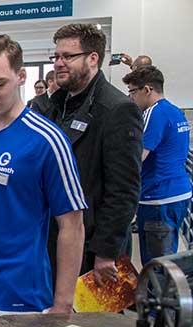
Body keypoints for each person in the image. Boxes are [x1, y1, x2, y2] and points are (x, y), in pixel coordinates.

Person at [0, 35, 86, 317]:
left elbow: (72, 226)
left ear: (21, 76)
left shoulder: (47, 141)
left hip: (19, 298)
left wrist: (62, 304)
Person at [44, 23, 143, 285]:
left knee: (87, 322)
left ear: (93, 58)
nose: (59, 63)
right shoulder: (56, 106)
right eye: (56, 57)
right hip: (54, 238)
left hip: (90, 247)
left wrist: (106, 252)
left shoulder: (117, 110)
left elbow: (123, 190)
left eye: (68, 56)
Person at [123, 65, 191, 264]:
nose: (131, 98)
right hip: (178, 193)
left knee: (156, 267)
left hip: (158, 197)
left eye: (132, 92)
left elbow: (137, 157)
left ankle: (158, 296)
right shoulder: (175, 111)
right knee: (168, 260)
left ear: (147, 90)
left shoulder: (154, 113)